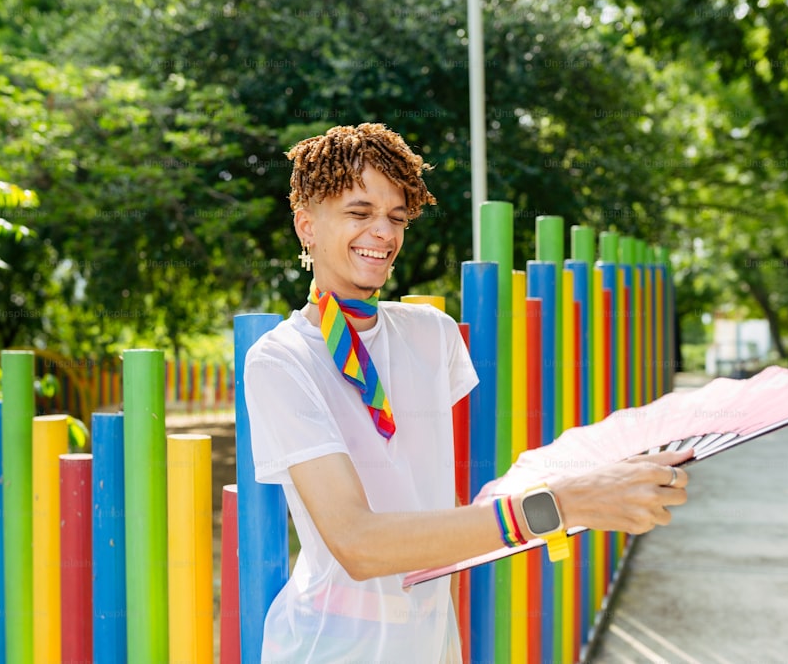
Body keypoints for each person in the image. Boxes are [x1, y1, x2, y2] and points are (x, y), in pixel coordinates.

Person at [243, 123, 691, 663]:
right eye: (359, 214)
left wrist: (587, 482)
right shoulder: (281, 359)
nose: (382, 233)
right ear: (306, 226)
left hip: (432, 640)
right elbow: (358, 544)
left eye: (397, 217)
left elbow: (441, 495)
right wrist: (562, 504)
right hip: (331, 645)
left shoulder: (431, 335)